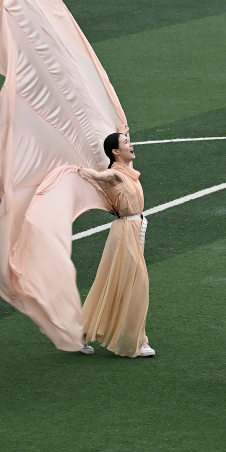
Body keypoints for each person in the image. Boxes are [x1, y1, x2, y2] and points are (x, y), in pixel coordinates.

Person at [79, 133, 153, 358]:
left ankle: (80, 333)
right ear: (115, 152)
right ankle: (140, 341)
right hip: (124, 233)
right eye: (126, 143)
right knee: (137, 283)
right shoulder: (115, 174)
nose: (132, 145)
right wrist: (79, 170)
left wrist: (122, 129)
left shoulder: (129, 172)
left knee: (115, 282)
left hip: (135, 230)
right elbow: (99, 175)